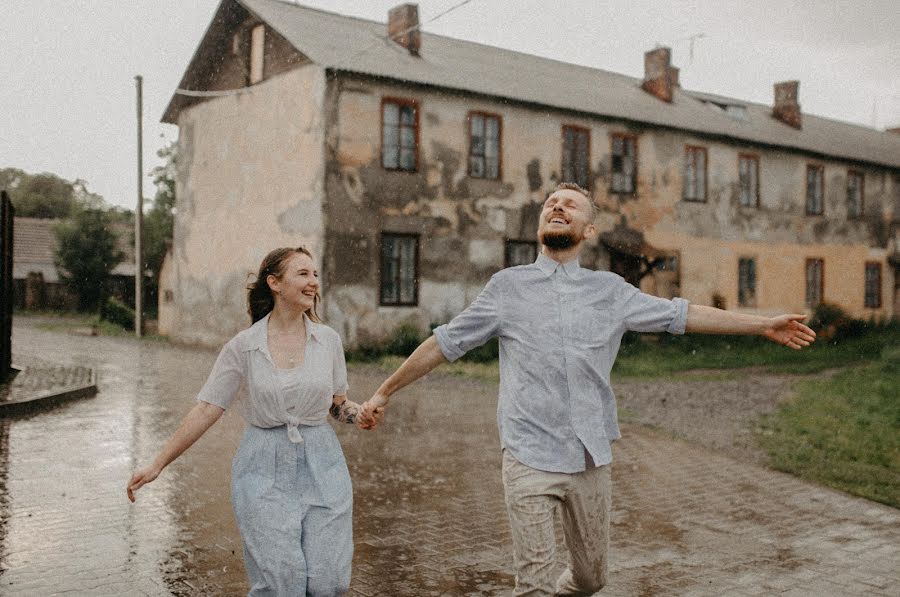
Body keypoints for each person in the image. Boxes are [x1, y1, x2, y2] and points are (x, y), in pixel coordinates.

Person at [361, 183, 816, 596]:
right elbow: (445, 342)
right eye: (550, 203)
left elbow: (682, 314)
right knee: (534, 583)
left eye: (570, 204)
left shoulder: (611, 291)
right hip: (527, 454)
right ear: (541, 222)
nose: (557, 206)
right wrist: (384, 391)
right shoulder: (507, 287)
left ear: (589, 228)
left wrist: (762, 325)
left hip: (588, 455)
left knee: (592, 578)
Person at [127, 246, 383, 596]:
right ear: (274, 283)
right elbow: (207, 409)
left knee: (329, 581)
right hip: (263, 467)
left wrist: (359, 414)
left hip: (323, 464)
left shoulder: (328, 341)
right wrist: (158, 463)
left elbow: (337, 405)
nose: (314, 283)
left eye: (315, 275)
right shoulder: (243, 347)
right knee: (283, 582)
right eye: (303, 274)